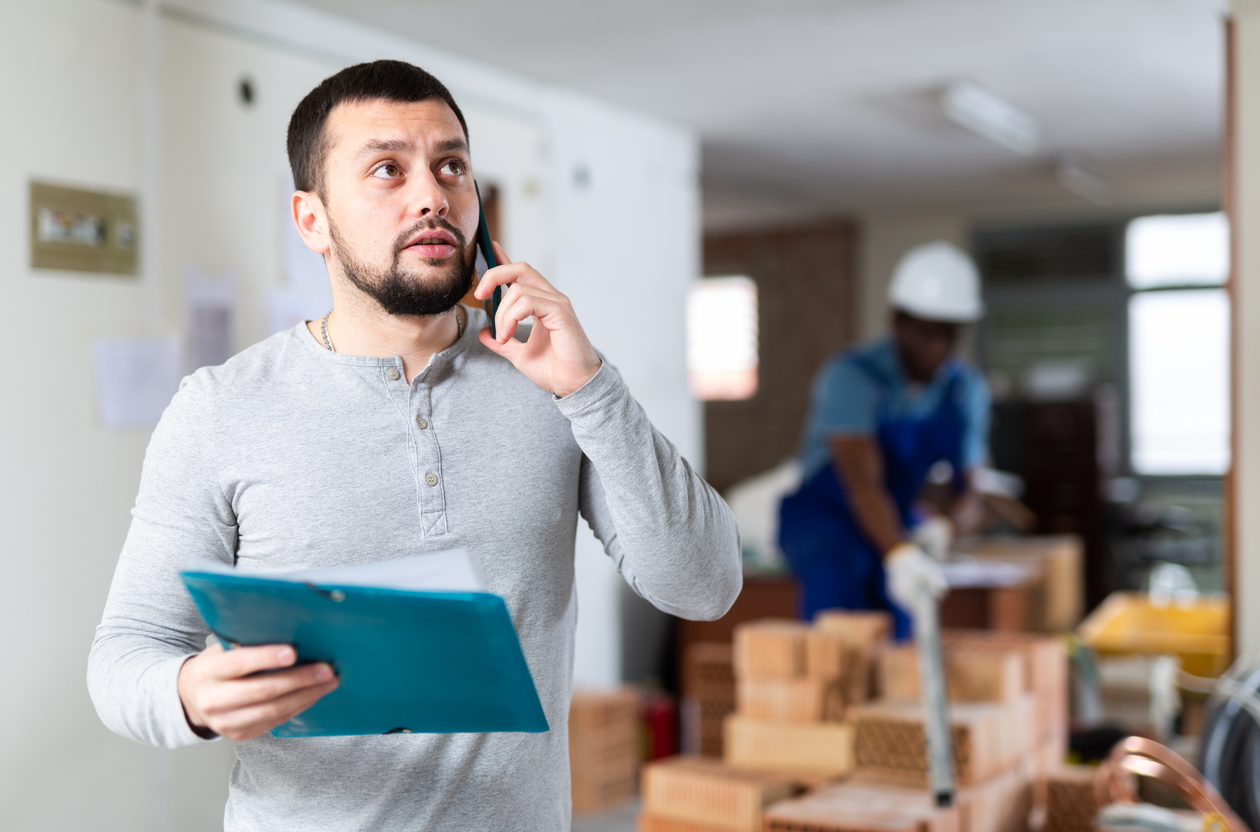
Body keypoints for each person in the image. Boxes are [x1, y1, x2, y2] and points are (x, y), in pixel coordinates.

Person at [87, 60, 741, 831]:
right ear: (312, 221)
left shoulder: (557, 383)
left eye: (452, 166)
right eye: (387, 170)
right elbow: (125, 655)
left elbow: (704, 588)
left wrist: (589, 387)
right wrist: (189, 693)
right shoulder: (219, 409)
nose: (432, 194)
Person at [778, 241, 989, 639]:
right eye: (926, 332)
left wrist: (946, 526)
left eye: (949, 334)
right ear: (897, 321)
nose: (937, 348)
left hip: (894, 514)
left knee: (904, 627)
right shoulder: (851, 377)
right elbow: (862, 481)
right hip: (827, 520)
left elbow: (971, 493)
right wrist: (898, 552)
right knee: (840, 628)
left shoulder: (964, 391)